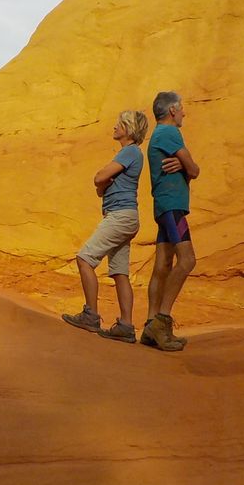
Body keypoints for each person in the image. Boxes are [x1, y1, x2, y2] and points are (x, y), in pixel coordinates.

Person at [62, 110, 150, 342]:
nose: (114, 127)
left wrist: (102, 180)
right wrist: (102, 183)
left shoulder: (129, 152)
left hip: (119, 216)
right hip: (126, 216)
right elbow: (102, 184)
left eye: (119, 124)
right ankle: (126, 326)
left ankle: (90, 315)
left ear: (128, 129)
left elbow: (99, 178)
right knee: (120, 272)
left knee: (84, 259)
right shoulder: (130, 153)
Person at [142, 91, 199, 351]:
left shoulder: (157, 135)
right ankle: (162, 321)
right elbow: (195, 169)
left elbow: (186, 167)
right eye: (182, 108)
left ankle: (150, 324)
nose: (184, 113)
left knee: (163, 263)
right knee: (187, 260)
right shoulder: (169, 133)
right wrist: (185, 164)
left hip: (163, 205)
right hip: (173, 205)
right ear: (173, 109)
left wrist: (181, 164)